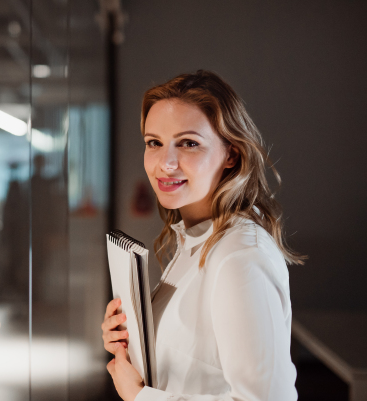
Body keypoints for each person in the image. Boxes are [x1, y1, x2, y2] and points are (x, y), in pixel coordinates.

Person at [101, 70, 305, 401]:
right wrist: (135, 343)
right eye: (154, 143)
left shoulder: (240, 256)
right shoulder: (195, 236)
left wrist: (140, 397)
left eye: (189, 143)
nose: (165, 163)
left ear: (231, 154)